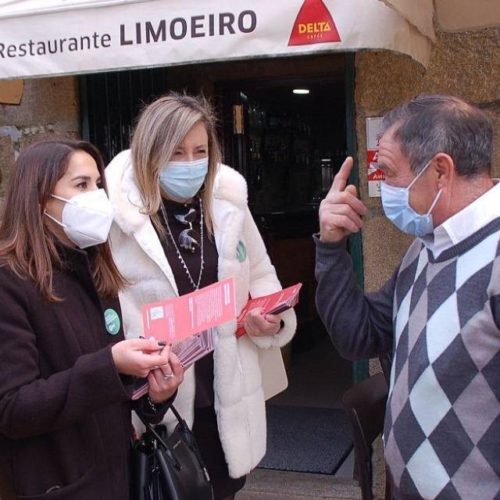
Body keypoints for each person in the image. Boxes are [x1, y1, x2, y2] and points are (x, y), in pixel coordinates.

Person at [105, 92, 297, 500]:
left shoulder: (228, 207)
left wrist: (269, 318)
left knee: (223, 488)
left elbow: (262, 276)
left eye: (199, 151)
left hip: (225, 397)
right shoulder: (116, 221)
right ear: (150, 153)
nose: (190, 163)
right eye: (176, 152)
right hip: (159, 404)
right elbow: (103, 312)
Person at [315, 94, 499, 499]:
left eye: (388, 172)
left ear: (439, 171)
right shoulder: (426, 246)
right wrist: (331, 246)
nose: (380, 185)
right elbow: (358, 335)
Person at [0, 139, 184, 500]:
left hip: (117, 479)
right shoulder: (10, 282)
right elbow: (13, 409)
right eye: (82, 185)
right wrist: (110, 365)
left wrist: (154, 397)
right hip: (57, 484)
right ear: (40, 198)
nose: (97, 196)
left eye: (98, 184)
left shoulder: (93, 268)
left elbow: (110, 396)